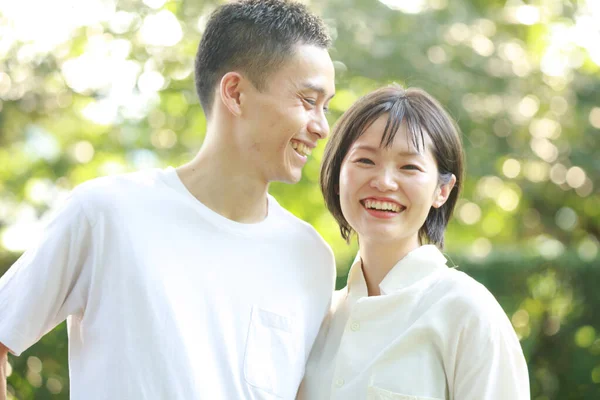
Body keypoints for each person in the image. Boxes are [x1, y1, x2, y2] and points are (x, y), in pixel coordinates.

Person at [0, 0, 337, 398]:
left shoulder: (311, 257)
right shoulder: (107, 213)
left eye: (326, 107)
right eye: (307, 101)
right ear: (236, 94)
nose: (322, 128)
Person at [298, 85, 530, 399]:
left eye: (409, 166)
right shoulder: (318, 317)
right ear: (338, 174)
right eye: (365, 161)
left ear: (442, 190)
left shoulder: (467, 311)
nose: (384, 182)